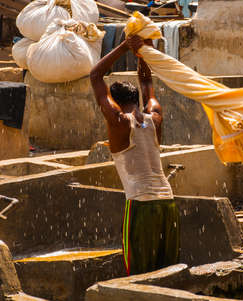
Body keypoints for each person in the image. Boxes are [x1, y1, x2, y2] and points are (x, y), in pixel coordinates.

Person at [90, 35, 180, 276]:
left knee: (138, 274)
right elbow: (147, 83)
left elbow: (95, 76)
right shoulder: (155, 117)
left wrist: (124, 47)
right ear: (135, 100)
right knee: (167, 271)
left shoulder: (118, 122)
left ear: (115, 103)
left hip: (141, 206)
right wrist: (143, 55)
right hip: (168, 204)